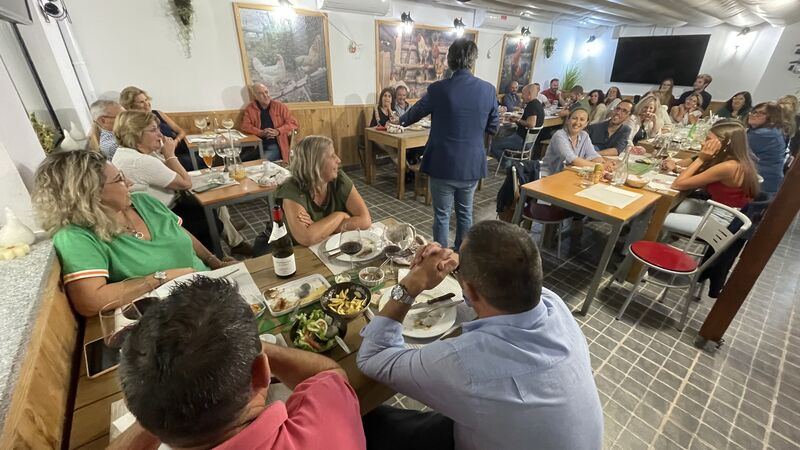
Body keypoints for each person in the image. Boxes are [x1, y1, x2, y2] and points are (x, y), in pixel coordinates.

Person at [357, 221, 603, 450]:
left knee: (369, 419)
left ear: (471, 290)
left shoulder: (464, 363)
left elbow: (372, 357)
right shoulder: (552, 303)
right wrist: (459, 265)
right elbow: (494, 291)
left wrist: (412, 284)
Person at [108, 276, 366, 450]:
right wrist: (253, 347)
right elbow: (330, 373)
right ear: (262, 371)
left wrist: (159, 408)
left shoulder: (152, 415)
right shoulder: (327, 414)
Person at [30, 150, 233, 317]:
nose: (129, 182)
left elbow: (181, 233)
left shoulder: (144, 202)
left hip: (210, 288)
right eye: (119, 179)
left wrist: (215, 262)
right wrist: (159, 278)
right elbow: (90, 301)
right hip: (177, 314)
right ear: (90, 192)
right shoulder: (76, 236)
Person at [398, 38, 498, 250]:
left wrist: (399, 121)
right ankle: (461, 257)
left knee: (442, 216)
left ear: (449, 60)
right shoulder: (489, 90)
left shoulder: (438, 89)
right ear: (472, 61)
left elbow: (414, 113)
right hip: (471, 165)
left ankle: (440, 258)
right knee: (465, 213)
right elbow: (493, 127)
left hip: (443, 163)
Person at [112, 110, 249, 255]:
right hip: (162, 215)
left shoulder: (128, 152)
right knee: (209, 207)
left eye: (158, 129)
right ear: (136, 134)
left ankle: (235, 243)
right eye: (153, 130)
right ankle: (220, 255)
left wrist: (163, 154)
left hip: (159, 207)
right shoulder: (140, 161)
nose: (160, 135)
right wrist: (170, 154)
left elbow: (173, 173)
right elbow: (185, 183)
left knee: (215, 197)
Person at [663, 120, 760, 234]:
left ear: (725, 143)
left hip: (720, 220)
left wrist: (701, 158)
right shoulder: (735, 160)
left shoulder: (729, 166)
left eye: (708, 140)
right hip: (716, 208)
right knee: (666, 207)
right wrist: (676, 169)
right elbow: (699, 177)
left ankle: (657, 240)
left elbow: (677, 185)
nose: (703, 143)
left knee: (658, 217)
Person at [276, 135, 371, 246]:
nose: (338, 160)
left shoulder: (339, 179)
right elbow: (307, 238)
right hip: (294, 251)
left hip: (332, 245)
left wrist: (319, 228)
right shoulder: (291, 189)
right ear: (315, 163)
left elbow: (365, 220)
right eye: (332, 155)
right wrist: (339, 215)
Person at [119, 86, 192, 170]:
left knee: (202, 156)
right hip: (166, 158)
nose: (147, 104)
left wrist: (176, 141)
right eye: (141, 102)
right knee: (200, 161)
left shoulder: (158, 113)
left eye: (146, 100)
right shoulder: (133, 125)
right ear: (131, 106)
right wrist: (167, 151)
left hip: (182, 149)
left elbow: (181, 131)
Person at [240, 82, 300, 162]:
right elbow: (245, 126)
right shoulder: (250, 108)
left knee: (261, 163)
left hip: (276, 145)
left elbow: (293, 123)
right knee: (239, 160)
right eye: (261, 93)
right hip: (257, 146)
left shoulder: (280, 106)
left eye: (266, 92)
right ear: (255, 96)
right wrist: (261, 133)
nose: (265, 95)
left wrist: (278, 131)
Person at [542, 106, 610, 175]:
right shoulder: (559, 135)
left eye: (582, 119)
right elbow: (572, 160)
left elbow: (593, 155)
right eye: (574, 118)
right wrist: (600, 166)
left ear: (586, 124)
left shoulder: (584, 135)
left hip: (568, 174)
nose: (577, 122)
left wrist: (605, 164)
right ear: (568, 120)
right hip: (549, 175)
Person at [489, 84, 544, 165]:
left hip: (521, 141)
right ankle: (511, 162)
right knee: (504, 135)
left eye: (523, 94)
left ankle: (509, 165)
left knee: (494, 144)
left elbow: (531, 124)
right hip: (529, 142)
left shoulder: (532, 105)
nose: (522, 97)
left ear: (529, 93)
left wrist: (517, 120)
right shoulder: (538, 104)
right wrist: (517, 120)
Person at [746, 102, 787, 195]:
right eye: (754, 111)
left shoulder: (764, 134)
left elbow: (735, 149)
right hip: (765, 180)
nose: (754, 115)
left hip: (762, 184)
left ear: (772, 117)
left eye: (761, 113)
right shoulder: (771, 131)